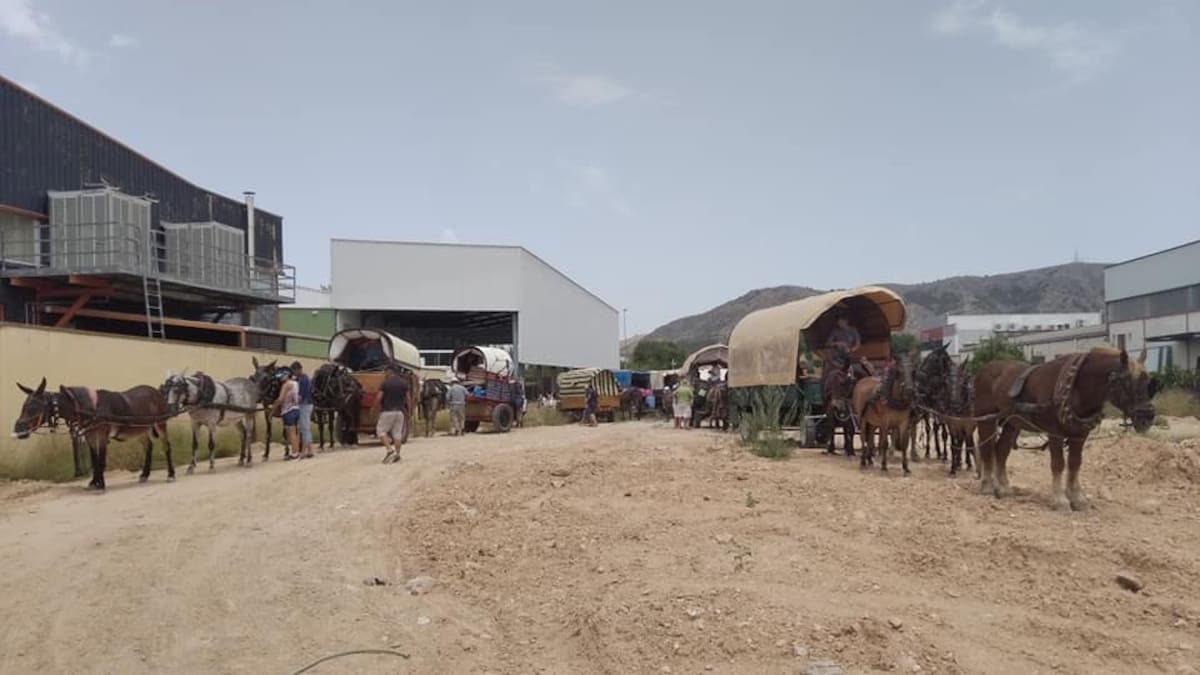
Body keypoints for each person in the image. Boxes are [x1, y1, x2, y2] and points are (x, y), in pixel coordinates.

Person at [378, 365, 410, 464]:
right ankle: (397, 454)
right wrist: (409, 410)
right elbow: (408, 398)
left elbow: (379, 397)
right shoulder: (404, 383)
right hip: (400, 412)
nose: (385, 374)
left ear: (390, 372)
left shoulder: (385, 383)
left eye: (385, 372)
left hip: (387, 411)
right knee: (397, 434)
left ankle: (389, 450)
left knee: (381, 431)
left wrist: (373, 408)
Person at [271, 370, 304, 460]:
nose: (281, 378)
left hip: (288, 411)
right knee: (294, 433)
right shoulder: (295, 383)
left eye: (282, 376)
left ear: (287, 376)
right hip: (296, 409)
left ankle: (295, 454)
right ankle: (296, 452)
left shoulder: (286, 385)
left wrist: (273, 407)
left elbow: (281, 399)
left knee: (291, 433)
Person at [292, 361, 315, 456]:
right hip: (308, 404)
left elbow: (301, 397)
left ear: (298, 369)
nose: (293, 373)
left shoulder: (302, 380)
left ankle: (304, 451)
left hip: (304, 405)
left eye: (294, 371)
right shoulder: (304, 378)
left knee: (304, 428)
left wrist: (293, 403)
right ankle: (310, 450)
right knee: (305, 427)